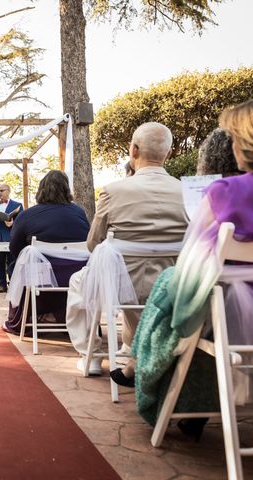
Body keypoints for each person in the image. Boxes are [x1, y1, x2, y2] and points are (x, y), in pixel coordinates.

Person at [133, 100, 253, 439]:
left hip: (230, 307)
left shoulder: (225, 191)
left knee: (180, 297)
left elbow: (192, 259)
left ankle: (145, 375)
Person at [66, 122, 188, 379]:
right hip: (172, 284)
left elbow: (94, 244)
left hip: (123, 286)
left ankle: (91, 359)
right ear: (168, 153)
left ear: (133, 150)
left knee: (78, 283)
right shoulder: (186, 191)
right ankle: (134, 350)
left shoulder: (113, 191)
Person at [3, 171, 89, 334]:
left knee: (15, 266)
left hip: (41, 280)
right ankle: (60, 314)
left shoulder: (27, 215)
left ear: (41, 190)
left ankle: (28, 316)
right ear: (66, 189)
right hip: (76, 277)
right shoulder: (79, 213)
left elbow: (14, 248)